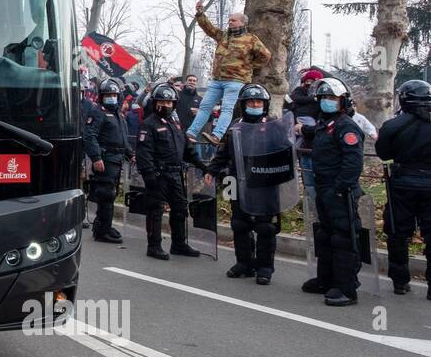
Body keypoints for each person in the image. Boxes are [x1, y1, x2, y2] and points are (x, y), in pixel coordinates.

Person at [205, 84, 282, 285]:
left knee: (265, 227)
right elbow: (223, 152)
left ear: (264, 104)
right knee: (240, 224)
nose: (255, 104)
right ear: (244, 104)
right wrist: (212, 170)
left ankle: (264, 267)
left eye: (258, 102)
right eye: (251, 102)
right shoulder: (236, 125)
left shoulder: (273, 125)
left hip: (265, 183)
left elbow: (286, 155)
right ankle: (244, 263)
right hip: (238, 181)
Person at [301, 78, 365, 306]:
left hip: (339, 190)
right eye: (324, 98)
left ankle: (347, 289)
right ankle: (326, 280)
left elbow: (353, 163)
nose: (327, 102)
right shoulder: (326, 124)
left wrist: (341, 188)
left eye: (332, 98)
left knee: (343, 237)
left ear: (342, 101)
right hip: (324, 187)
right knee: (325, 235)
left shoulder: (346, 126)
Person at [374, 79, 431, 298]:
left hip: (402, 185)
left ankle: (400, 281)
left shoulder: (393, 125)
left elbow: (383, 154)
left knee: (397, 233)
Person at [187, 0, 270, 144]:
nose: (230, 22)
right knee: (205, 106)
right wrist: (200, 14)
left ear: (242, 23)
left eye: (233, 20)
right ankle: (191, 133)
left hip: (236, 81)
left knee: (226, 108)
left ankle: (217, 135)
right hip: (217, 79)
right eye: (229, 20)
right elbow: (209, 29)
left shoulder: (251, 39)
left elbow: (266, 55)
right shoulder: (224, 36)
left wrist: (250, 66)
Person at [136, 83, 202, 260]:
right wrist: (149, 175)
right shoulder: (148, 124)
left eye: (169, 102)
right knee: (155, 210)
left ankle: (179, 244)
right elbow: (144, 152)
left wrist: (202, 165)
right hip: (159, 174)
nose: (165, 105)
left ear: (174, 104)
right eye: (162, 101)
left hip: (175, 174)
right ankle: (154, 246)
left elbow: (187, 150)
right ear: (155, 102)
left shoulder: (176, 124)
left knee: (180, 209)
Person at [82, 77, 133, 243]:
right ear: (101, 95)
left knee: (111, 195)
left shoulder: (118, 114)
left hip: (117, 159)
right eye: (108, 94)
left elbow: (123, 139)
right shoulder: (98, 112)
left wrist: (130, 154)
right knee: (105, 194)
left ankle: (105, 226)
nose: (111, 97)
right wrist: (96, 157)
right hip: (105, 159)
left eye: (114, 94)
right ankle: (102, 231)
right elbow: (90, 136)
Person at [284, 67, 324, 194]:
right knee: (308, 180)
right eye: (310, 81)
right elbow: (292, 99)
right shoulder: (300, 92)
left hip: (315, 145)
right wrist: (313, 99)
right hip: (299, 130)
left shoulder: (323, 99)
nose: (311, 85)